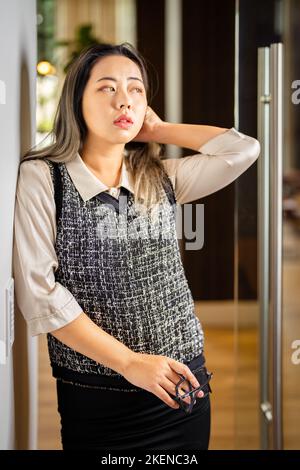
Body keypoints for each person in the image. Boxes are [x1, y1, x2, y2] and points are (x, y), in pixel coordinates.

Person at [13, 42, 260, 451]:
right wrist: (129, 363)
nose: (123, 100)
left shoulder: (161, 176)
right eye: (107, 88)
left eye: (136, 89)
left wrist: (158, 130)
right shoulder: (45, 178)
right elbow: (41, 296)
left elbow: (242, 149)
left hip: (182, 384)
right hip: (97, 394)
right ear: (76, 101)